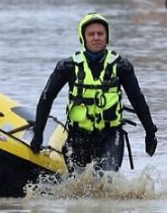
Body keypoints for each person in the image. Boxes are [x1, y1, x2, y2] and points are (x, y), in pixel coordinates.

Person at [30, 12, 158, 172]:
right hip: (78, 136)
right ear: (83, 38)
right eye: (91, 34)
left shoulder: (122, 66)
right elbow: (46, 98)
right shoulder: (67, 67)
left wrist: (150, 131)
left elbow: (137, 99)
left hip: (111, 135)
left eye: (100, 33)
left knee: (106, 179)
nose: (96, 37)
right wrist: (38, 134)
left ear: (107, 37)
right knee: (78, 183)